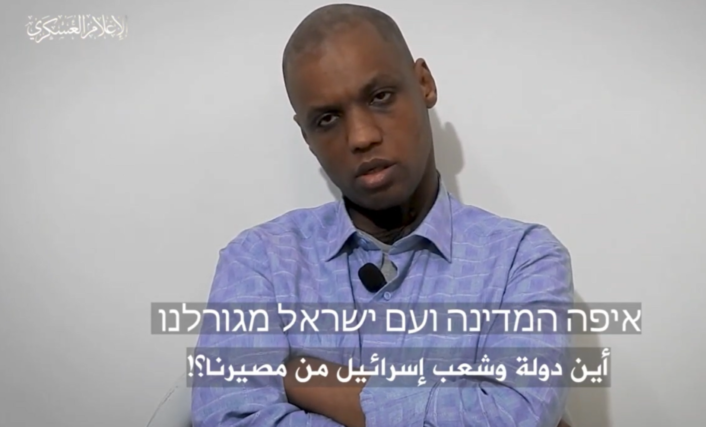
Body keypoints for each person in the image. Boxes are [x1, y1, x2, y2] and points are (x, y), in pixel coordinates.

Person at [191, 3, 573, 427]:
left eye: (380, 97)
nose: (361, 136)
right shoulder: (258, 262)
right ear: (306, 136)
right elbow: (230, 418)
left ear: (424, 83)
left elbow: (515, 415)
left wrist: (315, 382)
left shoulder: (523, 258)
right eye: (327, 119)